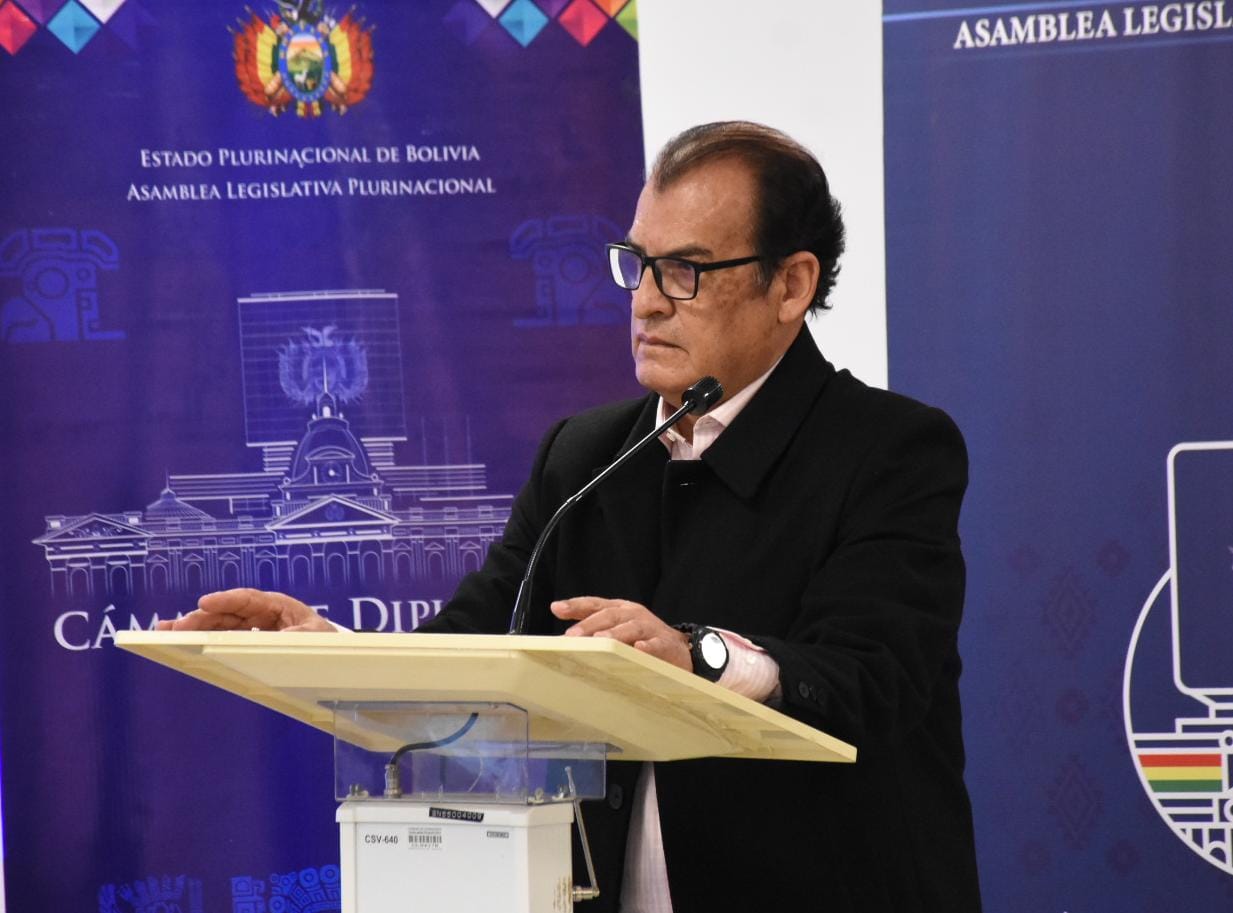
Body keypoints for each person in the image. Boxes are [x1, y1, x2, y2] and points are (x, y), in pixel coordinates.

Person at [160, 122, 982, 912]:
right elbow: (477, 642)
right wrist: (330, 650)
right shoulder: (585, 454)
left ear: (791, 285)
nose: (647, 303)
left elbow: (872, 676)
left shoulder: (890, 450)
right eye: (638, 264)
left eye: (686, 270)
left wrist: (697, 655)